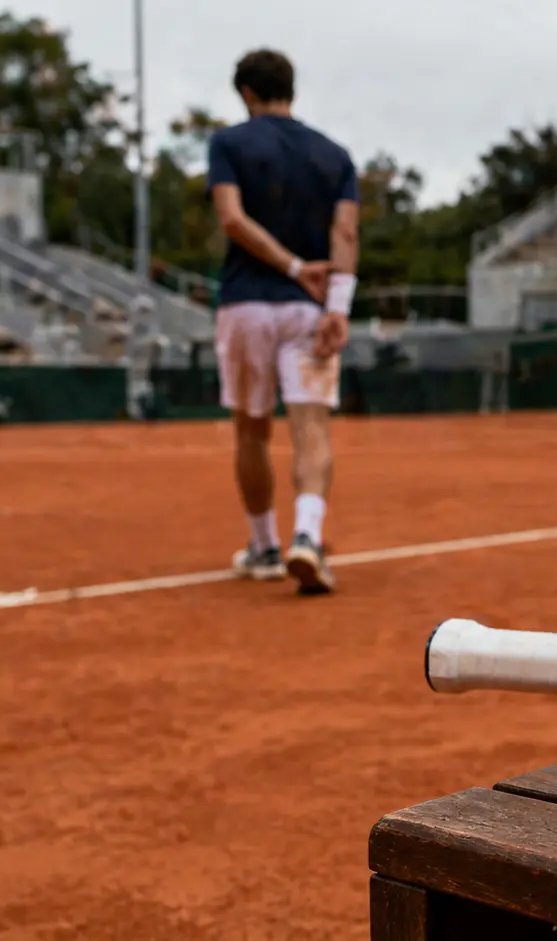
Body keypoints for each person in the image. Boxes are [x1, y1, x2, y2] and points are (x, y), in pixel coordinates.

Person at [208, 48, 359, 595]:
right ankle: (308, 537)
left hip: (246, 304)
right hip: (307, 311)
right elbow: (344, 236)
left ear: (247, 93)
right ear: (289, 89)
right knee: (310, 427)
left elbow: (231, 218)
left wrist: (291, 266)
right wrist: (336, 305)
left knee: (251, 430)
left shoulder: (228, 143)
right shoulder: (335, 155)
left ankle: (264, 546)